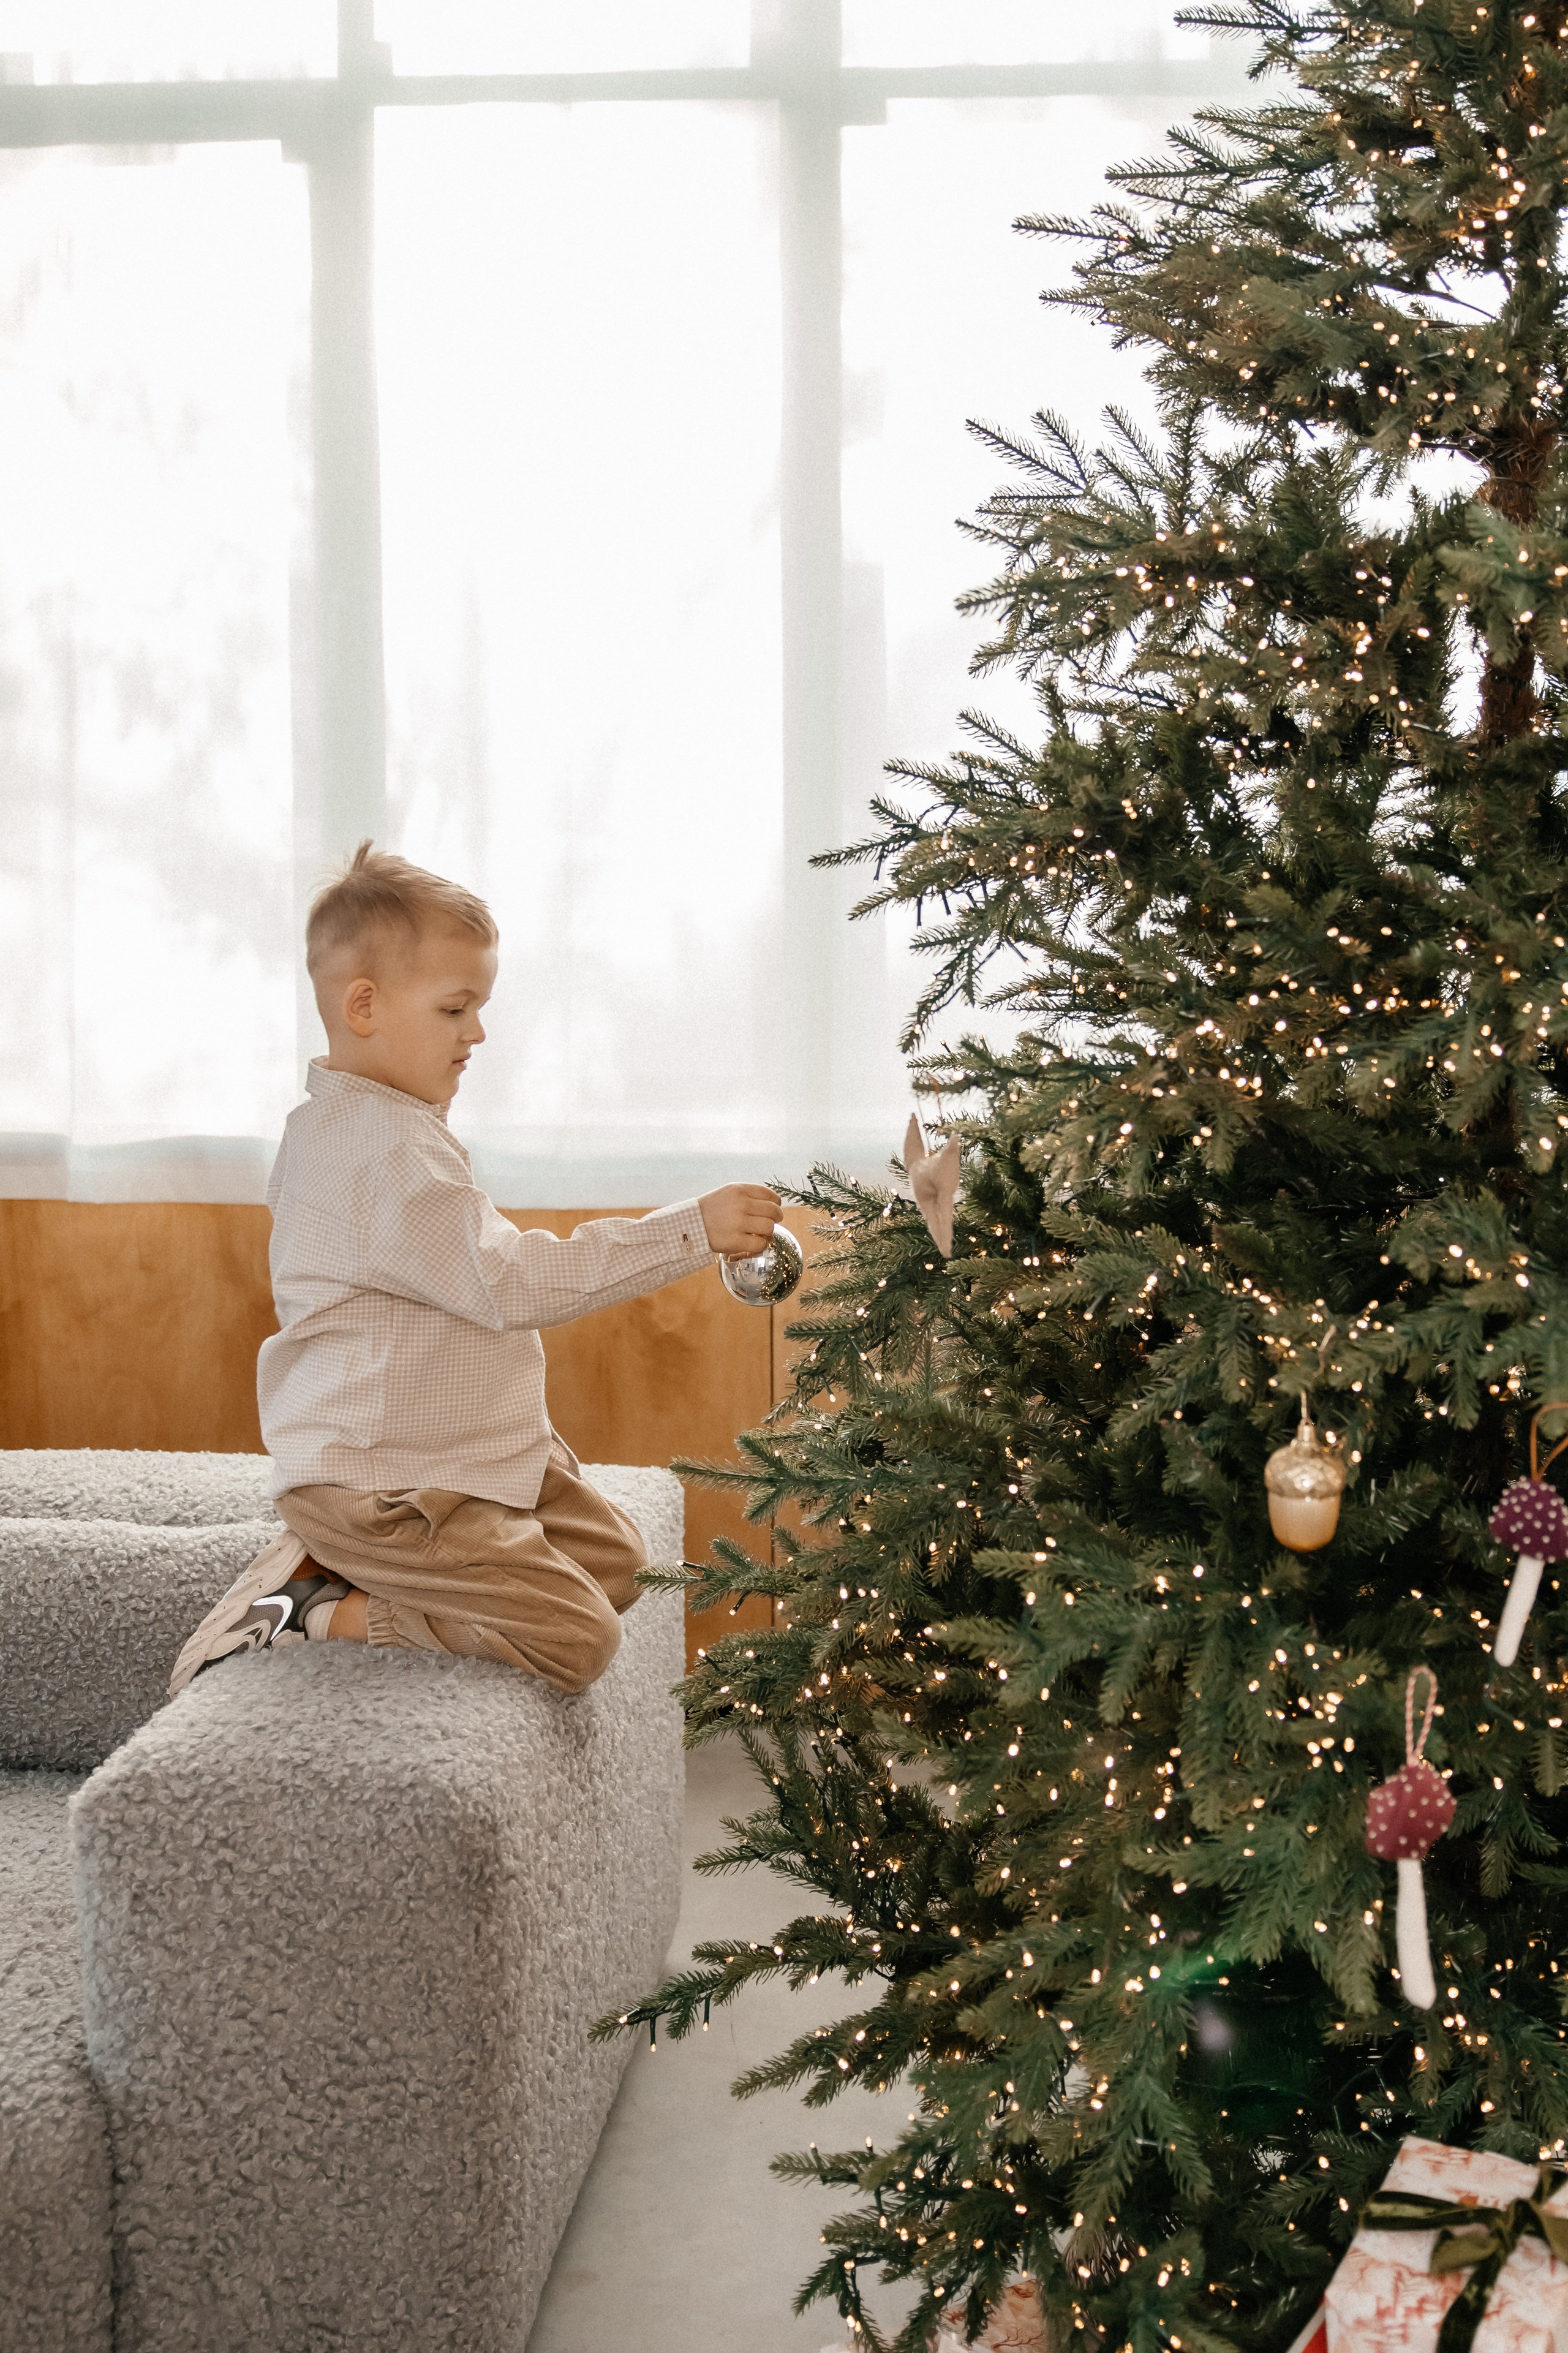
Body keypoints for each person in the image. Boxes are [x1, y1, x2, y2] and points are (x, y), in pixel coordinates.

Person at [170, 842, 780, 1698]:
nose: (480, 1032)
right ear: (364, 1006)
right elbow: (512, 1283)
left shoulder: (386, 1125)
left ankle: (352, 1572)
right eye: (457, 1008)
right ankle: (305, 1606)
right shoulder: (378, 1150)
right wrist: (691, 1231)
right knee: (578, 1635)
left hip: (450, 1453)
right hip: (389, 1487)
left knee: (618, 1562)